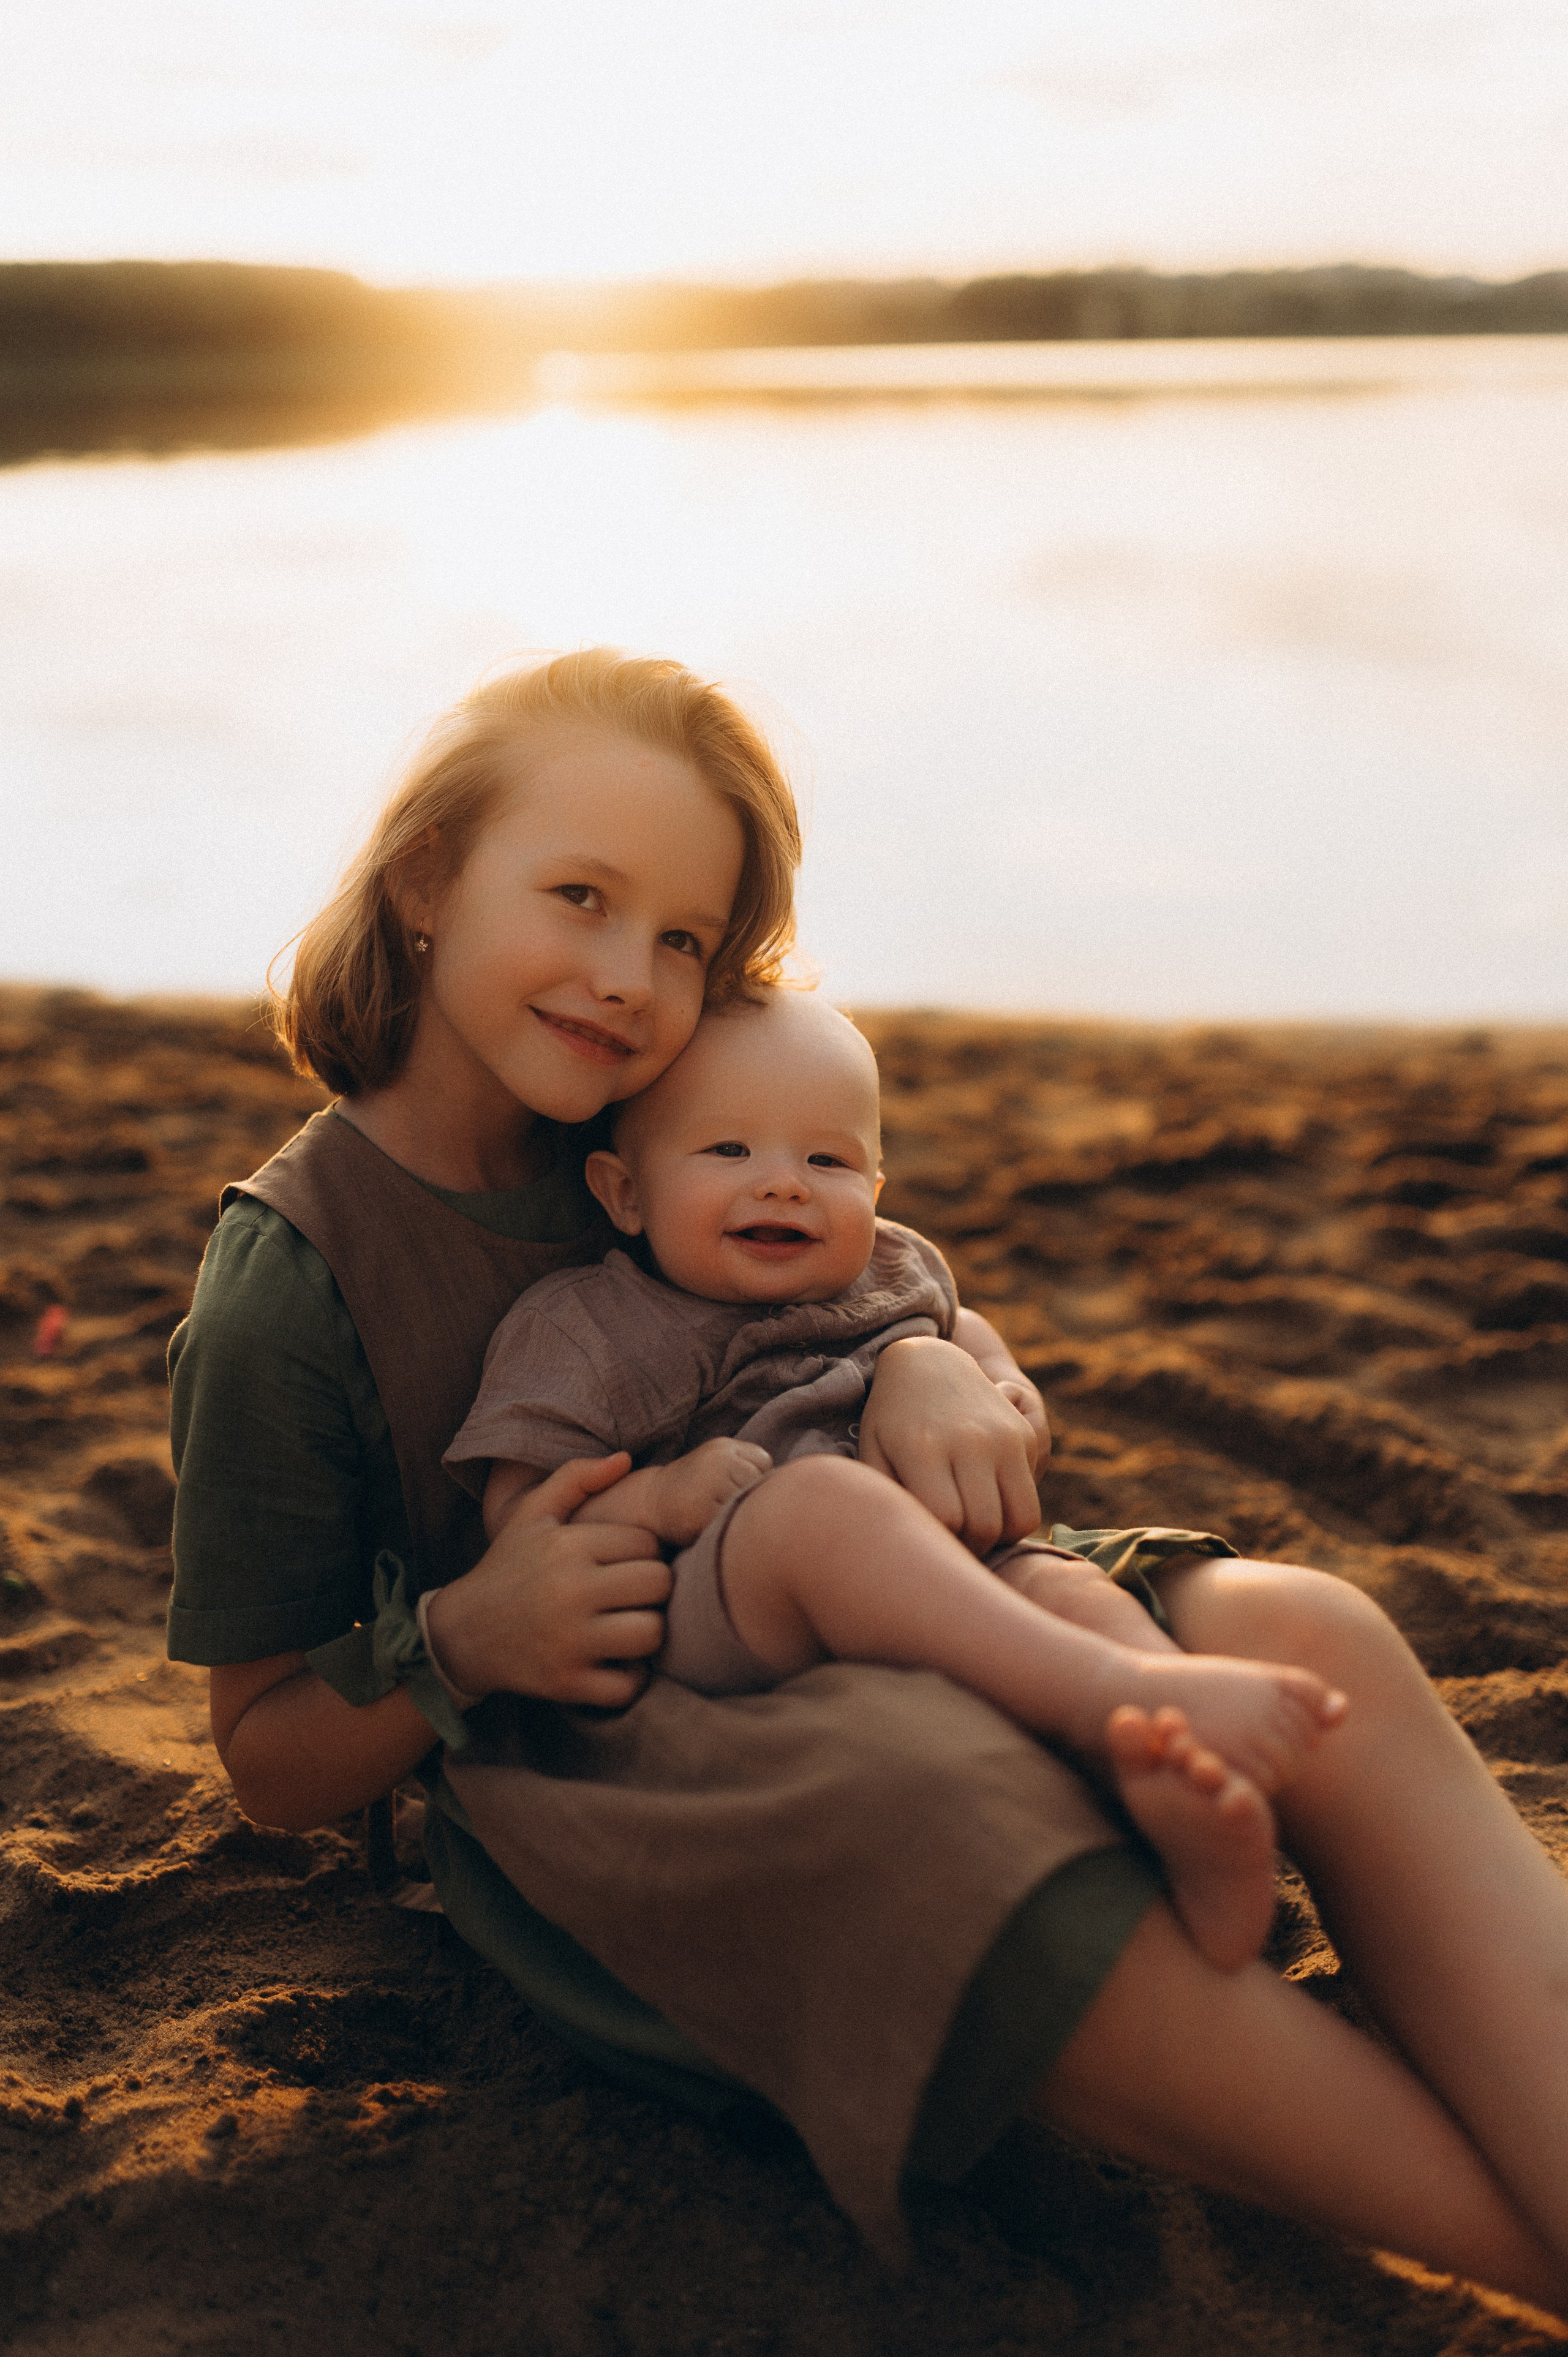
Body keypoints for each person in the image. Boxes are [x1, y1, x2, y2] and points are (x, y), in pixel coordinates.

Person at [167, 648, 1568, 2308]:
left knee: (1312, 1628)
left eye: (681, 939)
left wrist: (938, 1361)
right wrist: (470, 1636)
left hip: (894, 1572)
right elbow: (265, 1756)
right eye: (580, 896)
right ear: (425, 877)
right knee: (951, 1822)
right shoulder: (290, 1282)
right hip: (610, 1739)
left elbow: (868, 1261)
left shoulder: (663, 1102)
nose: (628, 978)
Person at [445, 989, 1348, 1977]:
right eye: (729, 1152)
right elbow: (519, 1521)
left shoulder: (894, 1270)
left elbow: (983, 1355)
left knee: (1059, 1582)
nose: (784, 1186)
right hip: (714, 1607)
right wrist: (658, 1500)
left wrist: (1002, 1393)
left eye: (827, 1160)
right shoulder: (588, 1326)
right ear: (624, 1193)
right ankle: (1114, 1697)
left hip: (934, 1568)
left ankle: (1170, 1754)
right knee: (823, 1509)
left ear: (876, 1184)